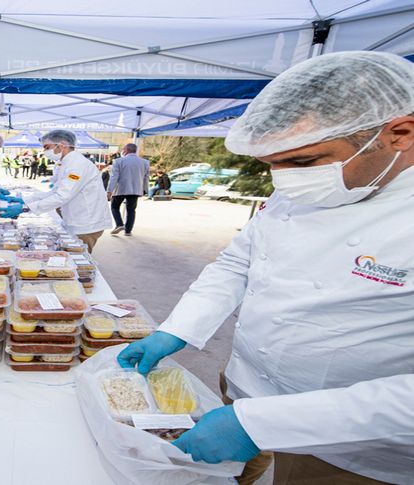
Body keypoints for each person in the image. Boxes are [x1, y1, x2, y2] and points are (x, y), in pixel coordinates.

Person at [117, 51, 414, 485]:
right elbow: (238, 262)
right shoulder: (309, 188)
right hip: (245, 385)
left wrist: (262, 424)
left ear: (400, 133)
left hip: (353, 439)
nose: (282, 179)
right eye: (271, 163)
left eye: (302, 162)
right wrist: (178, 328)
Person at [0, 130, 112, 253]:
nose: (44, 151)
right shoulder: (67, 162)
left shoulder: (77, 164)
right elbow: (55, 191)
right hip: (76, 218)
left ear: (62, 145)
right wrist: (25, 200)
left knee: (78, 258)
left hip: (86, 223)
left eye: (47, 147)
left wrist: (25, 207)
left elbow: (61, 196)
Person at [107, 143, 149, 236]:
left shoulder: (118, 161)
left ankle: (119, 224)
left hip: (121, 188)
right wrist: (145, 190)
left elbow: (114, 177)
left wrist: (109, 191)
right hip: (135, 189)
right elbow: (146, 177)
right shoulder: (145, 162)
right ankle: (128, 230)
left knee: (114, 207)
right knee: (131, 210)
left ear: (126, 150)